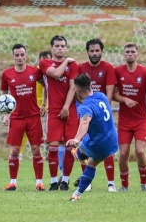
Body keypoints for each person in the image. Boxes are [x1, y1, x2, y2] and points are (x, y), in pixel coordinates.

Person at [113, 43, 146, 192]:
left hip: (142, 119)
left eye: (132, 52)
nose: (130, 54)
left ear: (137, 54)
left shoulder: (145, 72)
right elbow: (113, 94)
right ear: (124, 54)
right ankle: (124, 185)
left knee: (140, 151)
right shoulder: (118, 71)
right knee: (123, 153)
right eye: (127, 52)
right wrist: (124, 99)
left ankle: (144, 184)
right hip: (124, 121)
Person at [0, 44, 46, 191]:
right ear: (13, 57)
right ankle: (13, 182)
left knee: (36, 149)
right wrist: (6, 114)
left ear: (26, 55)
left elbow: (46, 86)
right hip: (17, 117)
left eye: (22, 55)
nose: (20, 58)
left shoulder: (34, 72)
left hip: (33, 116)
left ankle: (39, 182)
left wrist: (44, 104)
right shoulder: (7, 74)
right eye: (17, 55)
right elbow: (4, 95)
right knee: (14, 150)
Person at [66, 73, 118, 201]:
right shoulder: (102, 96)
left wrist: (76, 139)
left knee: (84, 154)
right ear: (91, 85)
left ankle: (78, 154)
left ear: (77, 90)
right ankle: (76, 194)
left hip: (97, 144)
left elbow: (84, 122)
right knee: (91, 163)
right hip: (112, 141)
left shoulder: (85, 107)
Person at [75, 38, 118, 192]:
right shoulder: (81, 68)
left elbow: (110, 92)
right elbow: (75, 89)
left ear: (101, 51)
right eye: (91, 51)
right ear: (87, 52)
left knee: (99, 147)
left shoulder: (108, 68)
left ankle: (111, 183)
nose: (94, 53)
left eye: (97, 50)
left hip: (100, 113)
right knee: (86, 146)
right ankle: (87, 183)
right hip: (86, 111)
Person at [39, 35, 79, 191]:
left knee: (70, 146)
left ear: (66, 48)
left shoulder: (73, 65)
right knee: (53, 146)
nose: (60, 48)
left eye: (63, 46)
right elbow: (55, 74)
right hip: (54, 110)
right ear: (52, 48)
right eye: (57, 46)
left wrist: (66, 107)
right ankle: (54, 181)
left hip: (70, 109)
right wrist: (65, 61)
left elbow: (73, 87)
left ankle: (65, 181)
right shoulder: (45, 63)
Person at [18, 50, 52, 161]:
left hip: (50, 104)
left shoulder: (54, 71)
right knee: (24, 130)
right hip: (33, 105)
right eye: (42, 60)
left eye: (47, 59)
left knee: (51, 130)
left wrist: (46, 105)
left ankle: (50, 154)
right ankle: (19, 153)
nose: (44, 62)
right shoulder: (34, 72)